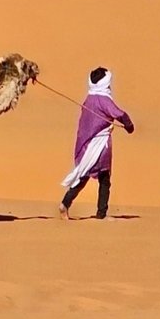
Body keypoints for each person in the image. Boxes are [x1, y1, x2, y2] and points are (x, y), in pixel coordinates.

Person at [59, 67, 136, 220]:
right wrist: (129, 126)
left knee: (83, 174)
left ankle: (65, 203)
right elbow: (119, 113)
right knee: (104, 178)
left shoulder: (89, 98)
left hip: (86, 142)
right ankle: (101, 214)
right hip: (98, 144)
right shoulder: (103, 99)